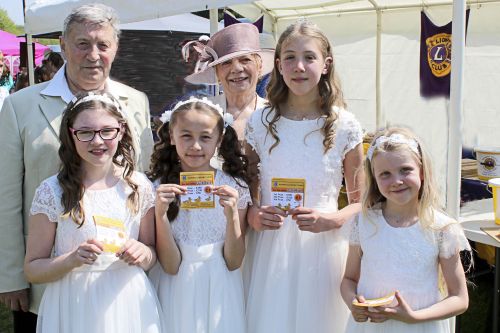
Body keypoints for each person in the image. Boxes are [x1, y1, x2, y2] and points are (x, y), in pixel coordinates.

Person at [0, 4, 154, 332]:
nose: (93, 54)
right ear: (63, 45)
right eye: (82, 43)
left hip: (118, 280)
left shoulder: (135, 100)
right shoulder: (20, 106)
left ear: (115, 48)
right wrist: (10, 274)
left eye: (103, 45)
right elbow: (6, 194)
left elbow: (143, 181)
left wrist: (146, 252)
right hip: (47, 278)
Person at [244, 20, 364, 333]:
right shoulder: (259, 122)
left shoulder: (345, 125)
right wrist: (255, 213)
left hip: (323, 246)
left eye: (309, 57)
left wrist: (335, 219)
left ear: (326, 64)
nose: (299, 66)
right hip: (272, 247)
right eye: (290, 57)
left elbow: (362, 200)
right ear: (278, 65)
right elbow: (247, 188)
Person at [24, 92, 164, 333]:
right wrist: (71, 259)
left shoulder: (138, 186)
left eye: (106, 131)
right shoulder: (52, 191)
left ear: (120, 131)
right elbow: (32, 269)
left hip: (126, 300)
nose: (97, 141)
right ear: (71, 135)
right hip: (74, 302)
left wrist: (143, 252)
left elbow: (151, 253)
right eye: (86, 132)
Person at [340, 127, 470, 333]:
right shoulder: (364, 223)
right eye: (385, 174)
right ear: (374, 179)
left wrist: (415, 317)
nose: (396, 181)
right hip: (370, 328)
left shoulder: (442, 228)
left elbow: (459, 298)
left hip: (421, 326)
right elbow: (349, 279)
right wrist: (353, 302)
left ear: (421, 171)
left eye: (405, 170)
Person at [148, 97, 251, 333]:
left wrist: (232, 215)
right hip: (175, 287)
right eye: (186, 136)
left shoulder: (235, 187)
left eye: (205, 137)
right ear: (171, 137)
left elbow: (234, 261)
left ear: (219, 139)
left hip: (220, 287)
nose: (195, 146)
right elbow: (170, 266)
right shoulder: (156, 189)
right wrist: (161, 215)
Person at [184, 23, 274, 141]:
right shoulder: (200, 113)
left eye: (245, 60)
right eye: (226, 63)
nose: (236, 68)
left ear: (259, 65)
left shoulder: (274, 115)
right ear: (216, 72)